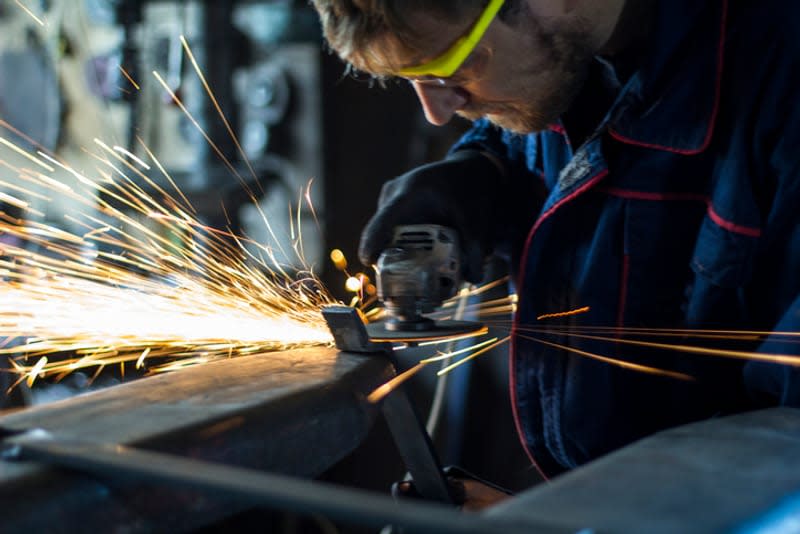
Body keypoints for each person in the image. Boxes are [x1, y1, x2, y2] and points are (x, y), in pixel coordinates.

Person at [310, 0, 800, 485]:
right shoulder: (570, 52)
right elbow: (530, 139)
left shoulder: (778, 80)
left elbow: (782, 452)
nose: (437, 112)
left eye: (450, 67)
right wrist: (484, 170)